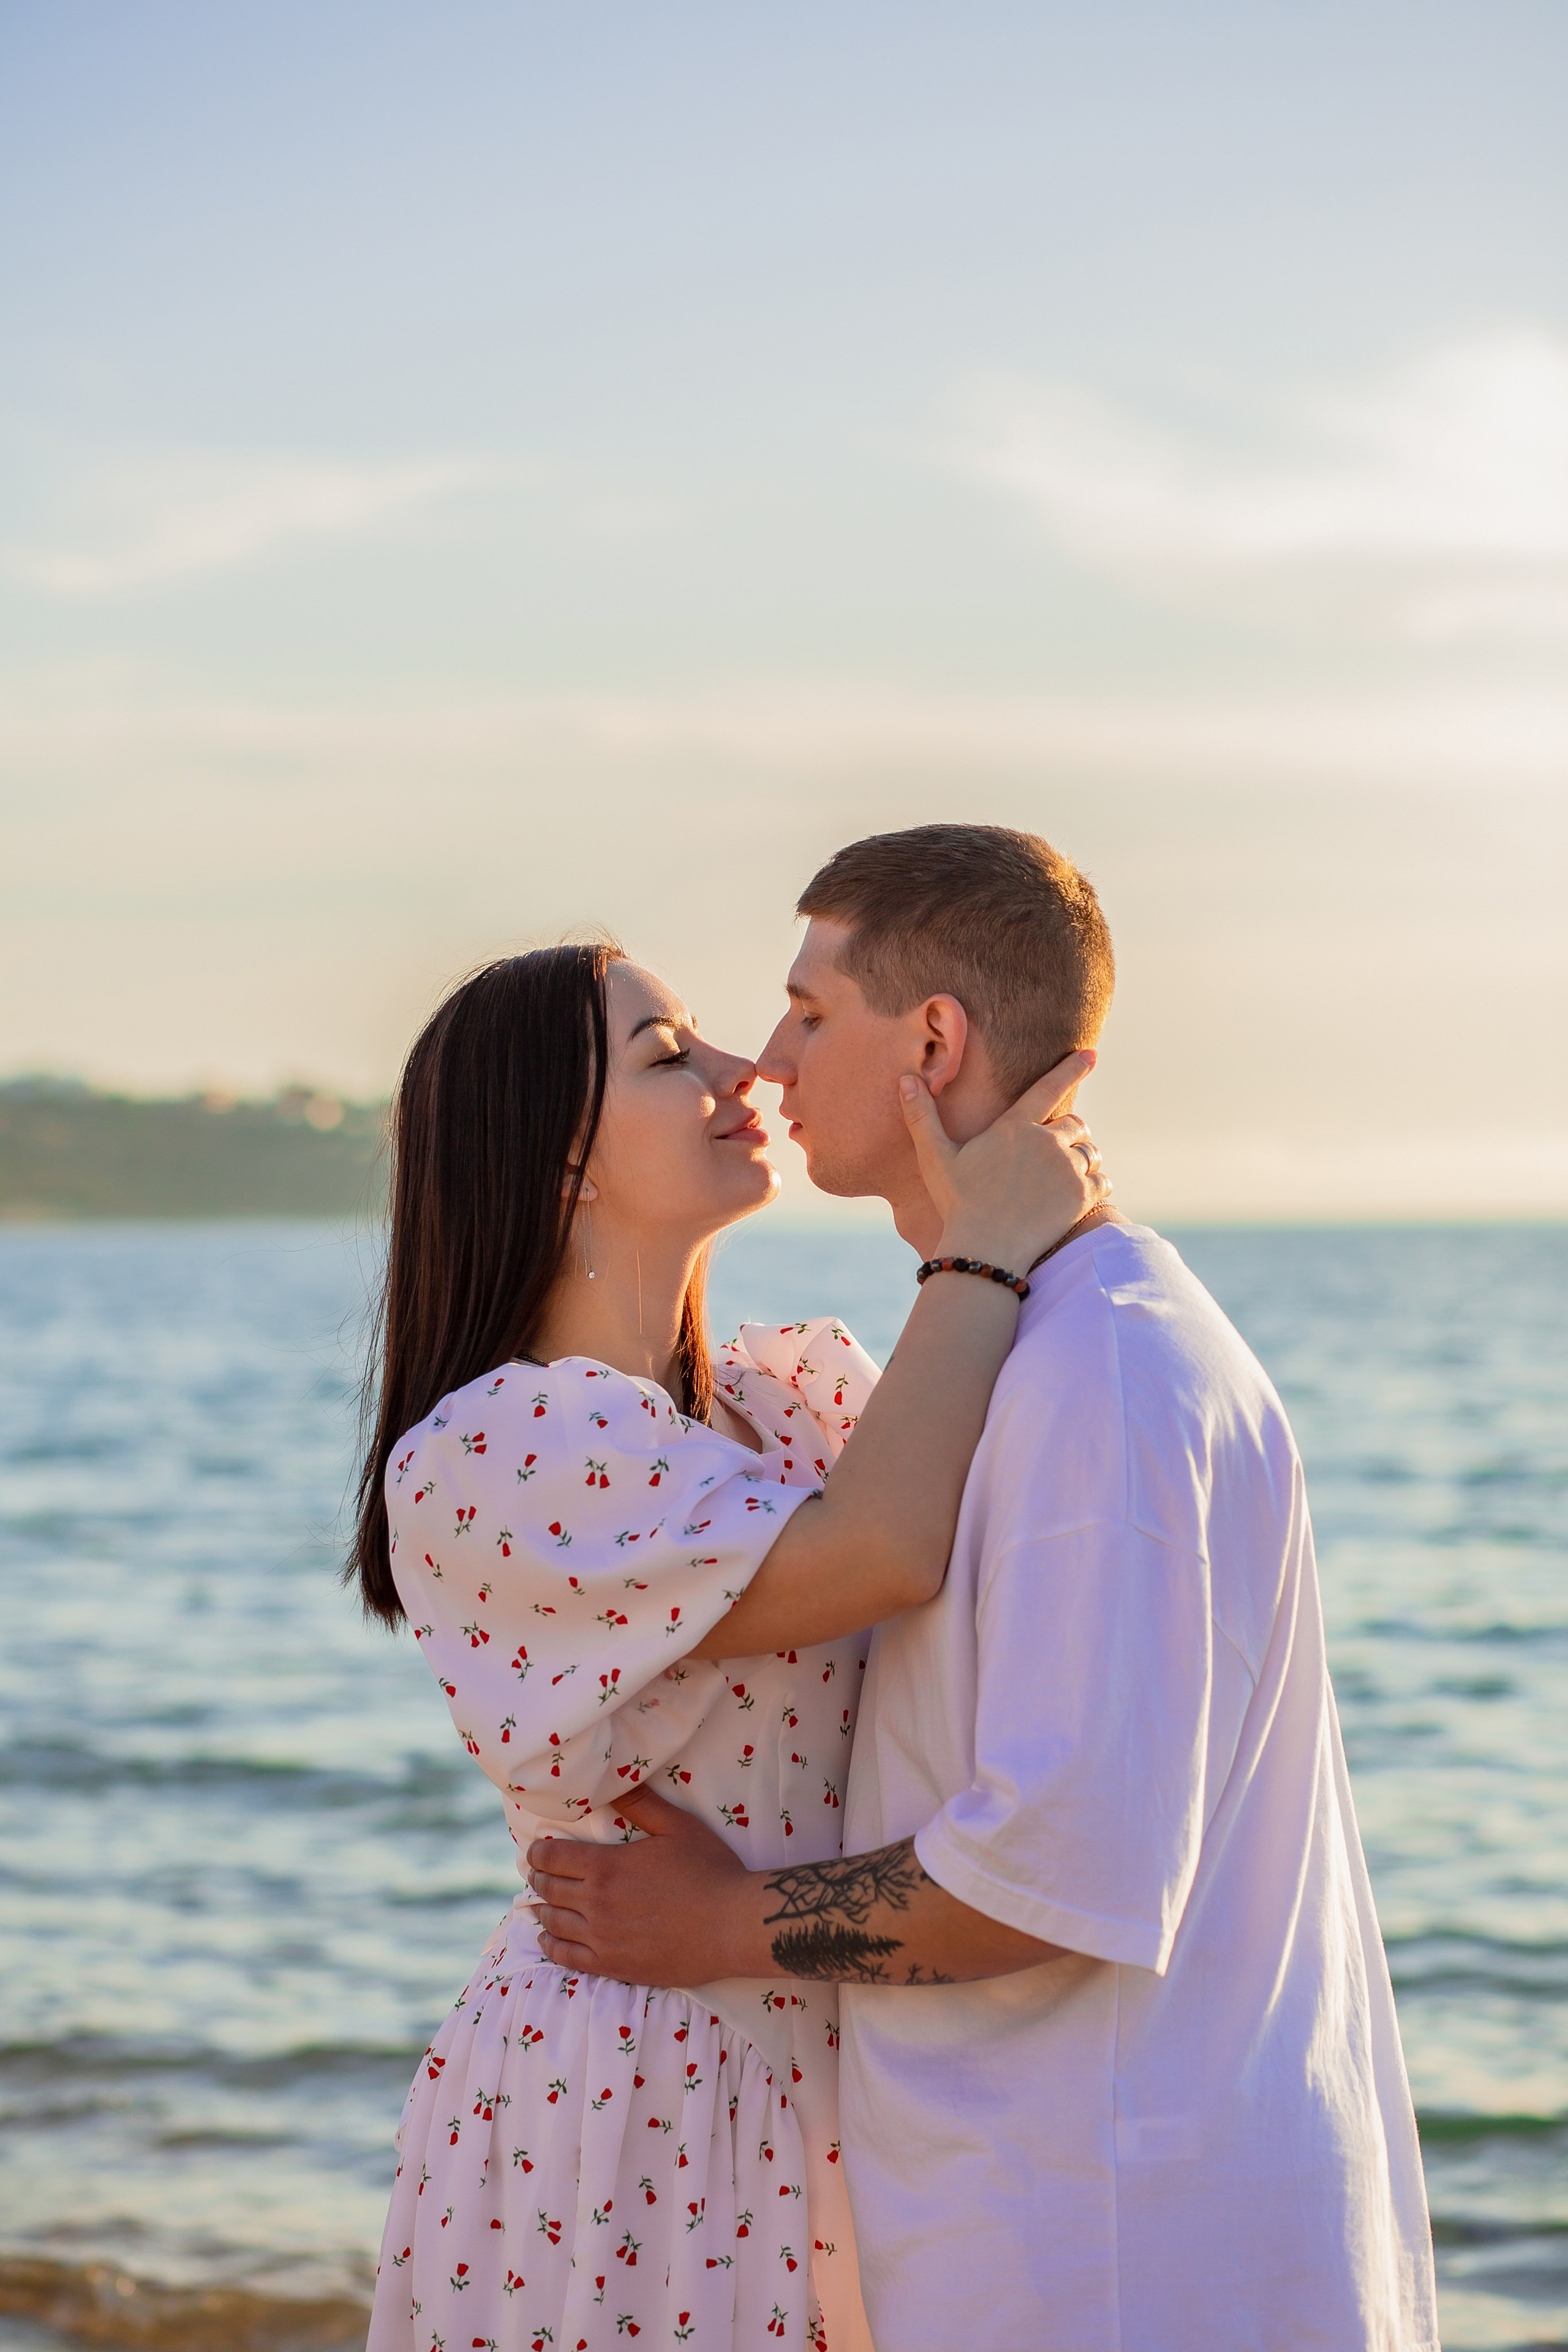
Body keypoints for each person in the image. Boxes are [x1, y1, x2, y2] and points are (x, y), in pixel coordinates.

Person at [524, 824, 1442, 2352]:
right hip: (1056, 2217)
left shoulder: (1099, 1374)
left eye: (812, 1012)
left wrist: (720, 1926)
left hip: (1118, 2252)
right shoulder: (1030, 1346)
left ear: (931, 1041)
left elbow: (1057, 1868)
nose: (767, 1058)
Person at [350, 938, 1106, 2352]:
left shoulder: (781, 1399)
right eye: (663, 1056)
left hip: (835, 2055)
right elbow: (879, 1553)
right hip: (649, 2094)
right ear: (556, 1161)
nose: (742, 1068)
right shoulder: (500, 1446)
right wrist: (977, 1242)